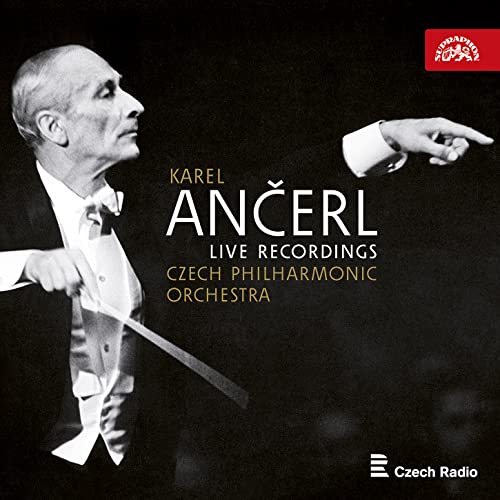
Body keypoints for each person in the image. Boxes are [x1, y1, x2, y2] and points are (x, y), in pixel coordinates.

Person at [0, 44, 493, 499]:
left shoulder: (156, 205)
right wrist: (27, 262)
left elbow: (267, 195)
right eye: (106, 93)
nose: (135, 105)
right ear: (54, 127)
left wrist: (386, 136)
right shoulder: (8, 208)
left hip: (141, 478)